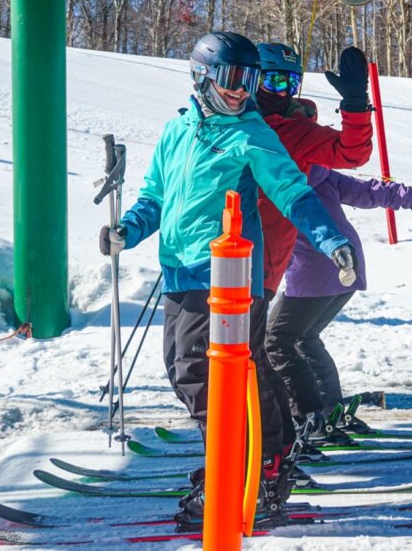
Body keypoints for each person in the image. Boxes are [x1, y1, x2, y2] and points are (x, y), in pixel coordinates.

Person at [99, 31, 355, 521]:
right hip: (180, 272)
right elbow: (155, 196)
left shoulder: (253, 133)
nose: (242, 91)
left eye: (250, 80)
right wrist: (126, 230)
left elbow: (293, 193)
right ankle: (268, 461)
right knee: (195, 367)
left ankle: (238, 473)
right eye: (233, 78)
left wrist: (330, 240)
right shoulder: (177, 131)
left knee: (203, 373)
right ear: (202, 76)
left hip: (228, 275)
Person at [266, 166, 412, 440]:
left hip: (312, 271)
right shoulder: (317, 170)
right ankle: (329, 412)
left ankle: (309, 419)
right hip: (348, 265)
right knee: (305, 338)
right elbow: (368, 191)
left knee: (277, 340)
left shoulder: (271, 173)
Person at [250, 42, 375, 445]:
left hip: (266, 265)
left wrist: (356, 103)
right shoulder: (229, 123)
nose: (282, 90)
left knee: (267, 347)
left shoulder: (295, 131)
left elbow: (352, 153)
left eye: (290, 82)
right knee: (259, 349)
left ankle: (287, 435)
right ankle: (287, 428)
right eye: (273, 79)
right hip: (220, 258)